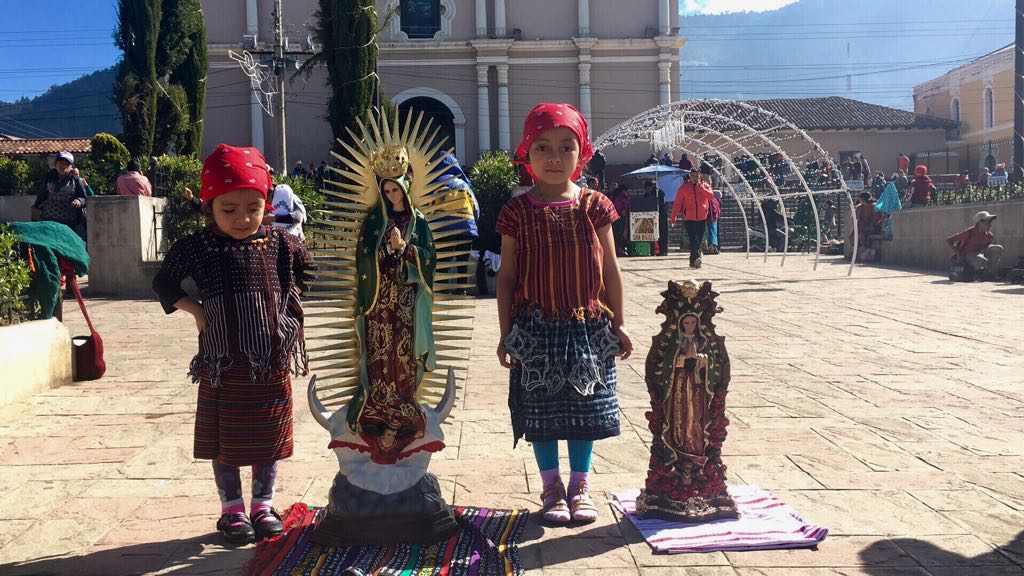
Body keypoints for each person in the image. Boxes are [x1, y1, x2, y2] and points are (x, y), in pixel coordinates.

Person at [152, 144, 316, 545]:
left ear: (267, 204)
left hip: (270, 360)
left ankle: (263, 505)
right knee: (225, 440)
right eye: (229, 209)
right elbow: (164, 283)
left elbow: (307, 271)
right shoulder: (197, 247)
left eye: (253, 208)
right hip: (223, 363)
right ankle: (232, 511)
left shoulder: (281, 244)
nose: (243, 218)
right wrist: (196, 311)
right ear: (209, 206)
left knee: (267, 438)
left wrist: (288, 307)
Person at [496, 102, 633, 526]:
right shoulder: (516, 212)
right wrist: (505, 334)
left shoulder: (595, 205)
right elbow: (506, 279)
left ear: (582, 153)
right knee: (541, 414)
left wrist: (619, 322)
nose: (554, 158)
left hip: (587, 328)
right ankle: (551, 488)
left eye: (565, 147)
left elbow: (610, 268)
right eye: (543, 147)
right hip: (535, 329)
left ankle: (579, 486)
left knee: (584, 412)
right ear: (527, 154)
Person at [32, 151, 88, 242]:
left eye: (66, 164)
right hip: (49, 219)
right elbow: (42, 195)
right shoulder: (49, 177)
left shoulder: (76, 180)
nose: (63, 166)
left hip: (69, 221)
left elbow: (84, 198)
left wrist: (78, 201)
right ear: (55, 164)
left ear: (71, 167)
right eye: (60, 163)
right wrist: (35, 209)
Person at [670, 168, 714, 268]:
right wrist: (673, 217)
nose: (695, 178)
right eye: (693, 176)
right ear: (690, 176)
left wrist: (701, 188)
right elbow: (677, 204)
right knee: (693, 239)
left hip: (702, 217)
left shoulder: (705, 185)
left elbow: (711, 196)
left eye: (697, 176)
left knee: (699, 239)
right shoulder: (684, 188)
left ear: (700, 176)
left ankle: (693, 260)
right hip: (689, 218)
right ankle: (696, 258)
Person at [947, 211, 1002, 279]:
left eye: (991, 222)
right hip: (967, 255)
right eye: (988, 222)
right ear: (980, 222)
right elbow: (949, 240)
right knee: (981, 259)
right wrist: (958, 254)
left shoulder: (989, 235)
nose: (991, 225)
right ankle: (978, 274)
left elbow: (986, 248)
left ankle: (991, 274)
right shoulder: (969, 233)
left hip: (979, 253)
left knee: (997, 248)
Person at [644, 179, 669, 257]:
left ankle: (664, 250)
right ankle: (654, 250)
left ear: (651, 187)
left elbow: (662, 203)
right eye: (646, 189)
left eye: (648, 188)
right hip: (651, 217)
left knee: (663, 233)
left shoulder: (659, 193)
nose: (647, 191)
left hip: (661, 215)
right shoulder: (646, 195)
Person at [854, 191, 882, 261]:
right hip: (863, 227)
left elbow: (877, 219)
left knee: (865, 234)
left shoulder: (874, 206)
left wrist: (871, 225)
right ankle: (858, 252)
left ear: (863, 199)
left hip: (873, 227)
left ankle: (866, 251)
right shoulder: (859, 207)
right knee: (856, 234)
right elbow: (855, 218)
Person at [609, 183, 631, 257]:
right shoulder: (622, 197)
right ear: (623, 191)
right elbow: (626, 206)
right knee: (621, 234)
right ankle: (620, 249)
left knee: (617, 233)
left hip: (613, 218)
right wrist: (624, 209)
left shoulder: (613, 196)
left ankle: (618, 249)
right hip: (621, 218)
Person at [706, 189, 722, 254]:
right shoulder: (716, 201)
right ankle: (715, 248)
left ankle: (711, 248)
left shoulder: (711, 200)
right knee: (714, 233)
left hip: (710, 218)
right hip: (715, 218)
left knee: (710, 233)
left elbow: (710, 210)